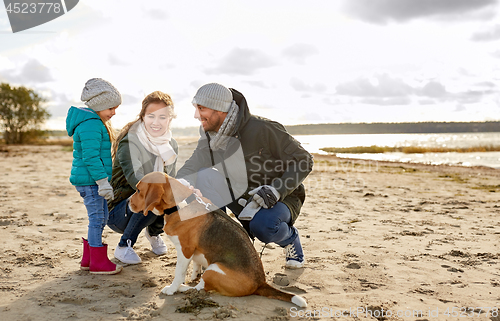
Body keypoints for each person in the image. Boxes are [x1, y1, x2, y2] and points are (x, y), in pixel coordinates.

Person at [176, 83, 313, 269]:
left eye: (201, 108)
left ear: (220, 109)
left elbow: (304, 160)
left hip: (280, 196)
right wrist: (179, 183)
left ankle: (290, 238)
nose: (196, 115)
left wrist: (277, 189)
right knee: (202, 176)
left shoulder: (264, 129)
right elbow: (195, 162)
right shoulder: (210, 134)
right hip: (239, 193)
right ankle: (219, 246)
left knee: (264, 226)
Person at [106, 91, 178, 264]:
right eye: (151, 116)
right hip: (118, 210)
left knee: (171, 194)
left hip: (146, 207)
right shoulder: (131, 142)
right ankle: (124, 246)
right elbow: (136, 179)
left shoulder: (170, 145)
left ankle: (154, 232)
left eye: (162, 117)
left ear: (170, 119)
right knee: (152, 192)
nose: (156, 122)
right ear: (143, 116)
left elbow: (170, 180)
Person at [66, 78, 123, 275]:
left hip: (92, 181)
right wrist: (102, 182)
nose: (114, 112)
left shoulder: (93, 122)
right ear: (100, 104)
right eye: (111, 108)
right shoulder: (90, 124)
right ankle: (98, 262)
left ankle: (89, 259)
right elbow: (91, 157)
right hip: (91, 182)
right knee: (97, 218)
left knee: (102, 217)